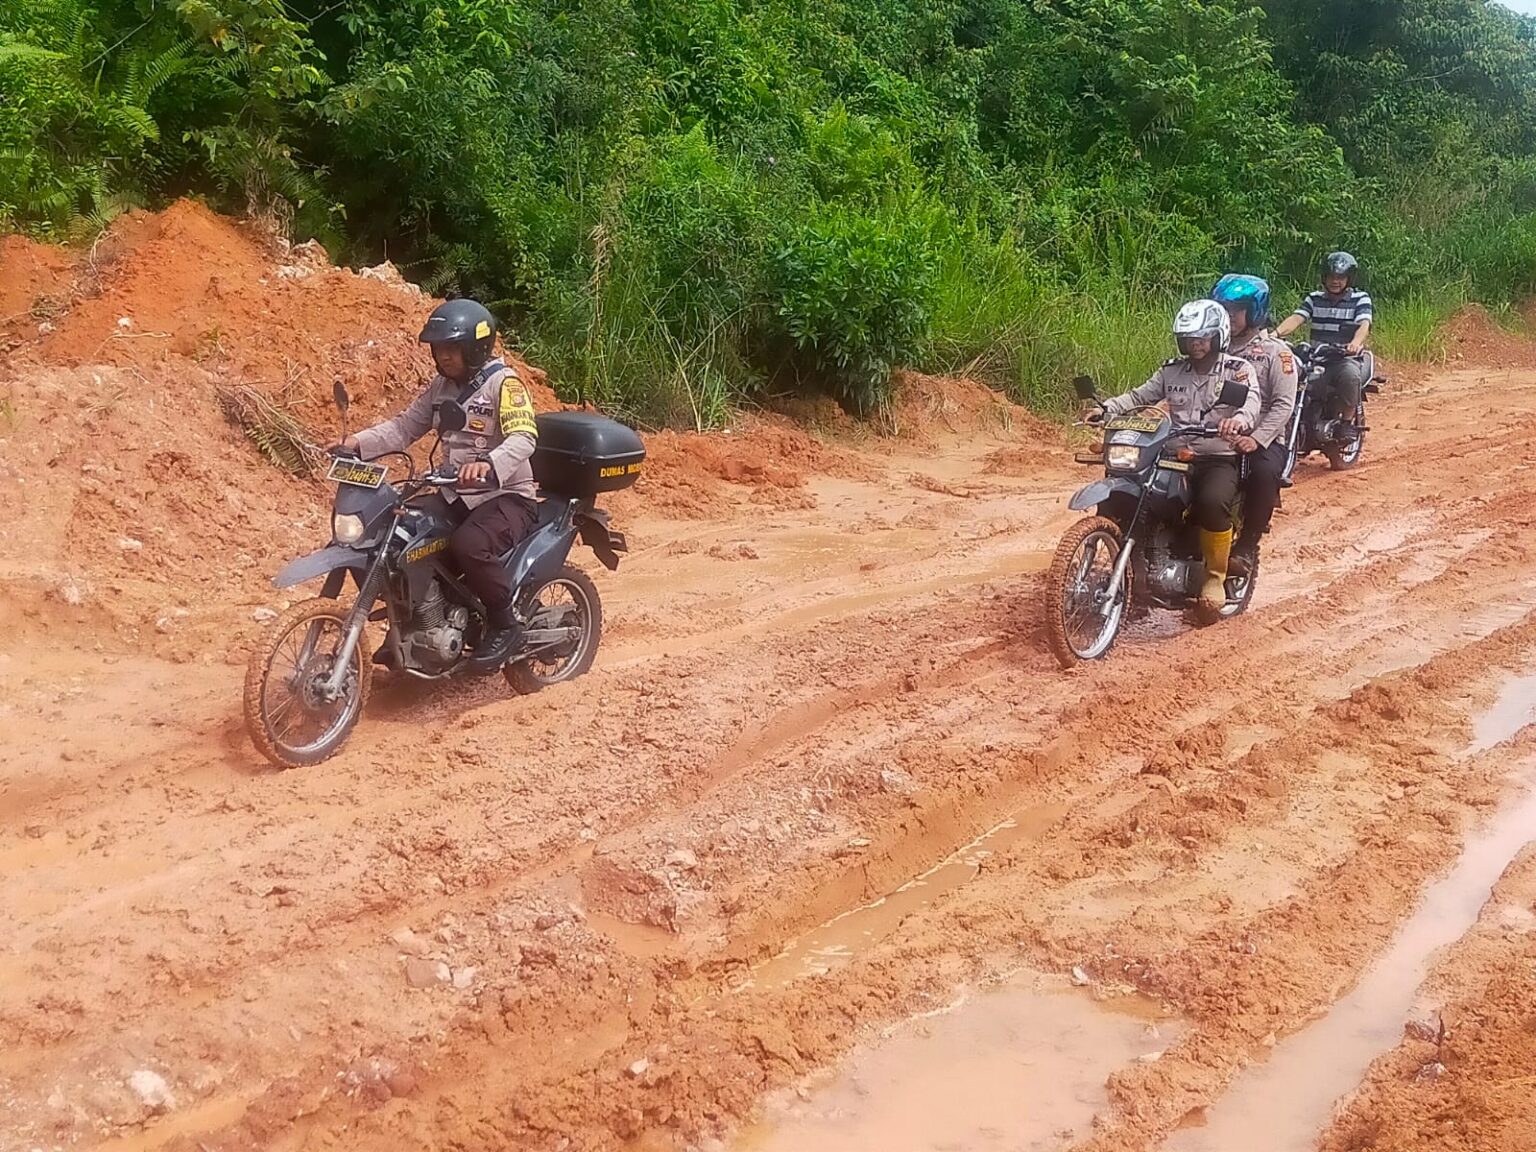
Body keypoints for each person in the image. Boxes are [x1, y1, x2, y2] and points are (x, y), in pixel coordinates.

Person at [333, 299, 539, 666]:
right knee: (399, 537)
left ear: (476, 347)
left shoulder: (504, 385)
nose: (443, 356)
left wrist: (488, 463)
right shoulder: (441, 388)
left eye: (451, 348)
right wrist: (357, 444)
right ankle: (411, 627)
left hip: (505, 495)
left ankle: (505, 624)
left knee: (470, 544)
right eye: (438, 348)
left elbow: (524, 437)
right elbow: (403, 428)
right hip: (455, 492)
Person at [1095, 300, 1262, 612]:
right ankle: (1137, 571)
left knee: (1212, 502)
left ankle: (1214, 577)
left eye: (1202, 337)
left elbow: (1251, 403)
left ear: (1218, 336)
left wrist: (1238, 421)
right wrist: (1105, 408)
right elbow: (1138, 396)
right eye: (1189, 338)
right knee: (1138, 494)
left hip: (1216, 456)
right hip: (1171, 453)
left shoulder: (1237, 370)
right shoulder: (1171, 370)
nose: (1195, 344)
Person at [1211, 274, 1297, 576]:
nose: (1230, 316)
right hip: (1210, 433)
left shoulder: (1277, 353)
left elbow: (1283, 405)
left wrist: (1257, 439)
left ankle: (1247, 544)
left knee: (1264, 473)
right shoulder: (1208, 348)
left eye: (1237, 309)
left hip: (1263, 437)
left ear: (1256, 311)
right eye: (1224, 308)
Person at [1274, 251, 1372, 436]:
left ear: (1349, 278)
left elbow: (1364, 324)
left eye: (1340, 277)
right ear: (1324, 278)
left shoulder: (1360, 299)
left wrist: (1355, 343)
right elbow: (1297, 318)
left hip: (1343, 357)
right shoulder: (1314, 298)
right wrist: (1275, 334)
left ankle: (1346, 423)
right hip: (1316, 357)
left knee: (1350, 376)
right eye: (1331, 277)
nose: (1335, 281)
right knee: (1291, 375)